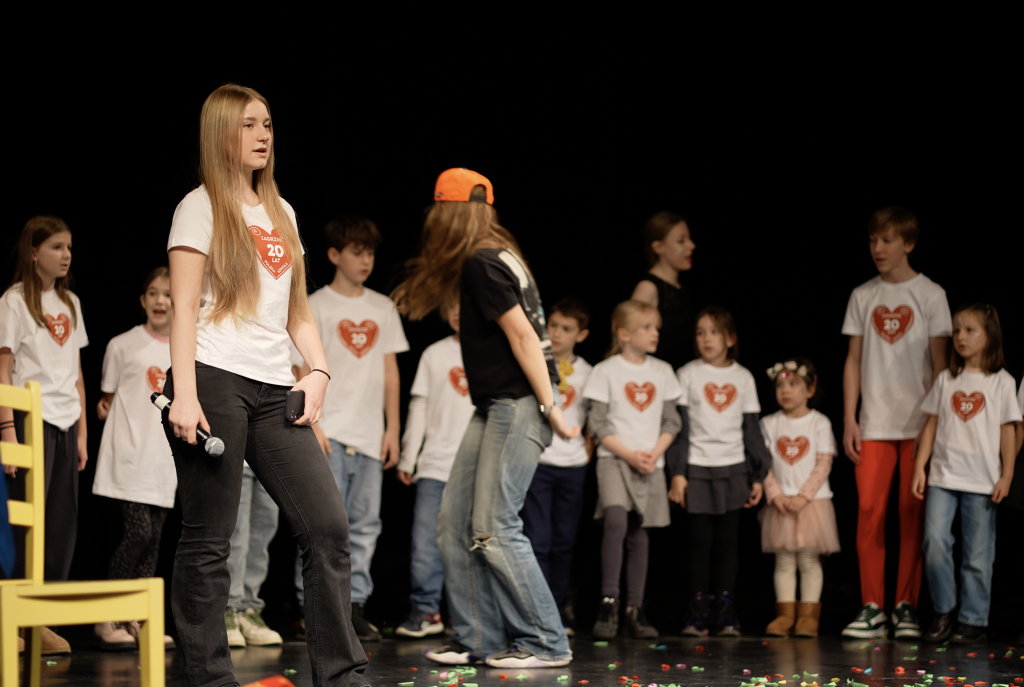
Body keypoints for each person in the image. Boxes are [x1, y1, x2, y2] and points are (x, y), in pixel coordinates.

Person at [162, 84, 368, 687]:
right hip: (213, 378)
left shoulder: (283, 213)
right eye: (249, 124)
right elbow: (183, 309)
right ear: (221, 132)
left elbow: (295, 309)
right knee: (210, 538)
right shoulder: (198, 207)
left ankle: (342, 675)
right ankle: (210, 678)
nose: (262, 135)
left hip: (277, 385)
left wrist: (319, 370)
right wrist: (185, 392)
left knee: (327, 527)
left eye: (268, 124)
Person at [392, 168, 577, 669]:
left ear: (449, 214)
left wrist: (552, 406)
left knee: (495, 526)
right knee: (454, 521)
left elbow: (524, 336)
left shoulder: (483, 261)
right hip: (495, 405)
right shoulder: (499, 254)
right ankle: (479, 638)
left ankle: (547, 641)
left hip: (519, 404)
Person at [290, 214, 408, 642]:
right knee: (323, 524)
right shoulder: (317, 305)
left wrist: (392, 428)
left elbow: (390, 372)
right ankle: (315, 608)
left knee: (366, 524)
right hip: (329, 432)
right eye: (357, 252)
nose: (366, 260)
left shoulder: (382, 307)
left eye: (370, 252)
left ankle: (354, 606)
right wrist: (314, 424)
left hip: (369, 434)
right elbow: (299, 366)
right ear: (334, 255)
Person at [840, 207, 951, 640]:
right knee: (869, 511)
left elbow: (941, 367)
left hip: (918, 425)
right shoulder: (862, 294)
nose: (878, 248)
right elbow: (853, 360)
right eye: (872, 240)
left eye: (886, 240)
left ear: (908, 243)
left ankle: (905, 606)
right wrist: (850, 418)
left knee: (911, 514)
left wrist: (934, 425)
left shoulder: (931, 294)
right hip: (873, 423)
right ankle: (873, 606)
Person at [0, 215, 88, 655]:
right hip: (28, 419)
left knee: (60, 525)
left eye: (68, 246)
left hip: (66, 420)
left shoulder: (70, 302)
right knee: (26, 522)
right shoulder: (14, 301)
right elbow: (3, 370)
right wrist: (7, 431)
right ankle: (14, 618)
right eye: (56, 246)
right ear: (34, 252)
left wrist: (83, 434)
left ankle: (42, 619)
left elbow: (76, 372)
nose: (65, 254)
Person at [911, 304, 1021, 644]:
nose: (961, 336)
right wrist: (920, 467)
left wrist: (1007, 474)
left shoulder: (1001, 381)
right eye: (957, 330)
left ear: (989, 336)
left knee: (977, 553)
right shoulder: (947, 379)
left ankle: (973, 618)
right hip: (943, 477)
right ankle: (944, 609)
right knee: (934, 541)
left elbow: (1008, 430)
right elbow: (932, 425)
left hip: (982, 480)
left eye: (970, 330)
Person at [667, 306, 769, 637]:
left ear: (730, 338)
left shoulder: (743, 377)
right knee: (699, 543)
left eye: (714, 332)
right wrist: (678, 472)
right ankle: (697, 610)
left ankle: (725, 611)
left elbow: (751, 429)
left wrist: (758, 475)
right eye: (700, 332)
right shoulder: (687, 373)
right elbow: (680, 429)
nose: (706, 339)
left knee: (727, 544)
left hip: (733, 468)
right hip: (698, 467)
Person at [583, 299, 680, 639]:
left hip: (650, 462)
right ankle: (608, 603)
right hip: (615, 459)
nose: (654, 333)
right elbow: (597, 422)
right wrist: (629, 454)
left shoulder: (663, 371)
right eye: (646, 328)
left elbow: (672, 420)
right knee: (616, 521)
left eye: (656, 328)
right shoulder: (605, 370)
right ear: (624, 333)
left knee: (640, 532)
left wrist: (654, 453)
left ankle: (634, 610)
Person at [92, 267, 177, 651]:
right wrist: (103, 408)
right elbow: (108, 400)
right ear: (143, 300)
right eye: (154, 293)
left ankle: (138, 619)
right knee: (138, 533)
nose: (161, 301)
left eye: (169, 294)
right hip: (129, 454)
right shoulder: (122, 345)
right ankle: (108, 616)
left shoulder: (184, 349)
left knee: (154, 540)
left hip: (163, 460)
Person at [395, 300, 475, 638]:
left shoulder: (492, 352)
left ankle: (468, 617)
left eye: (465, 303)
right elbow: (420, 406)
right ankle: (426, 611)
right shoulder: (434, 353)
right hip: (435, 464)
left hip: (475, 467)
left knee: (471, 543)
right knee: (425, 543)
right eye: (452, 305)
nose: (458, 311)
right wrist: (408, 456)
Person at [521, 297, 593, 635]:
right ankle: (537, 614)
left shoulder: (589, 372)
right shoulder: (534, 360)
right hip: (540, 460)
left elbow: (595, 415)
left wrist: (589, 445)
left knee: (563, 542)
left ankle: (559, 613)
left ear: (582, 334)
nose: (558, 334)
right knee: (538, 540)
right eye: (553, 326)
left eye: (567, 328)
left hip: (574, 464)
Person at [760, 358, 840, 638]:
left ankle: (808, 616)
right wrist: (776, 495)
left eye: (793, 384)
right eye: (780, 385)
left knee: (808, 560)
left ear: (810, 389)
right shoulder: (769, 423)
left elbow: (824, 462)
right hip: (781, 504)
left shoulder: (819, 422)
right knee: (783, 561)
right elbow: (763, 463)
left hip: (811, 504)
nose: (785, 390)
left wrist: (804, 496)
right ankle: (785, 614)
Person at [630, 212, 695, 371]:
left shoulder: (681, 289)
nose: (691, 245)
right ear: (658, 247)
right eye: (681, 241)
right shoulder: (648, 287)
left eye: (689, 239)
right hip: (654, 376)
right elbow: (631, 338)